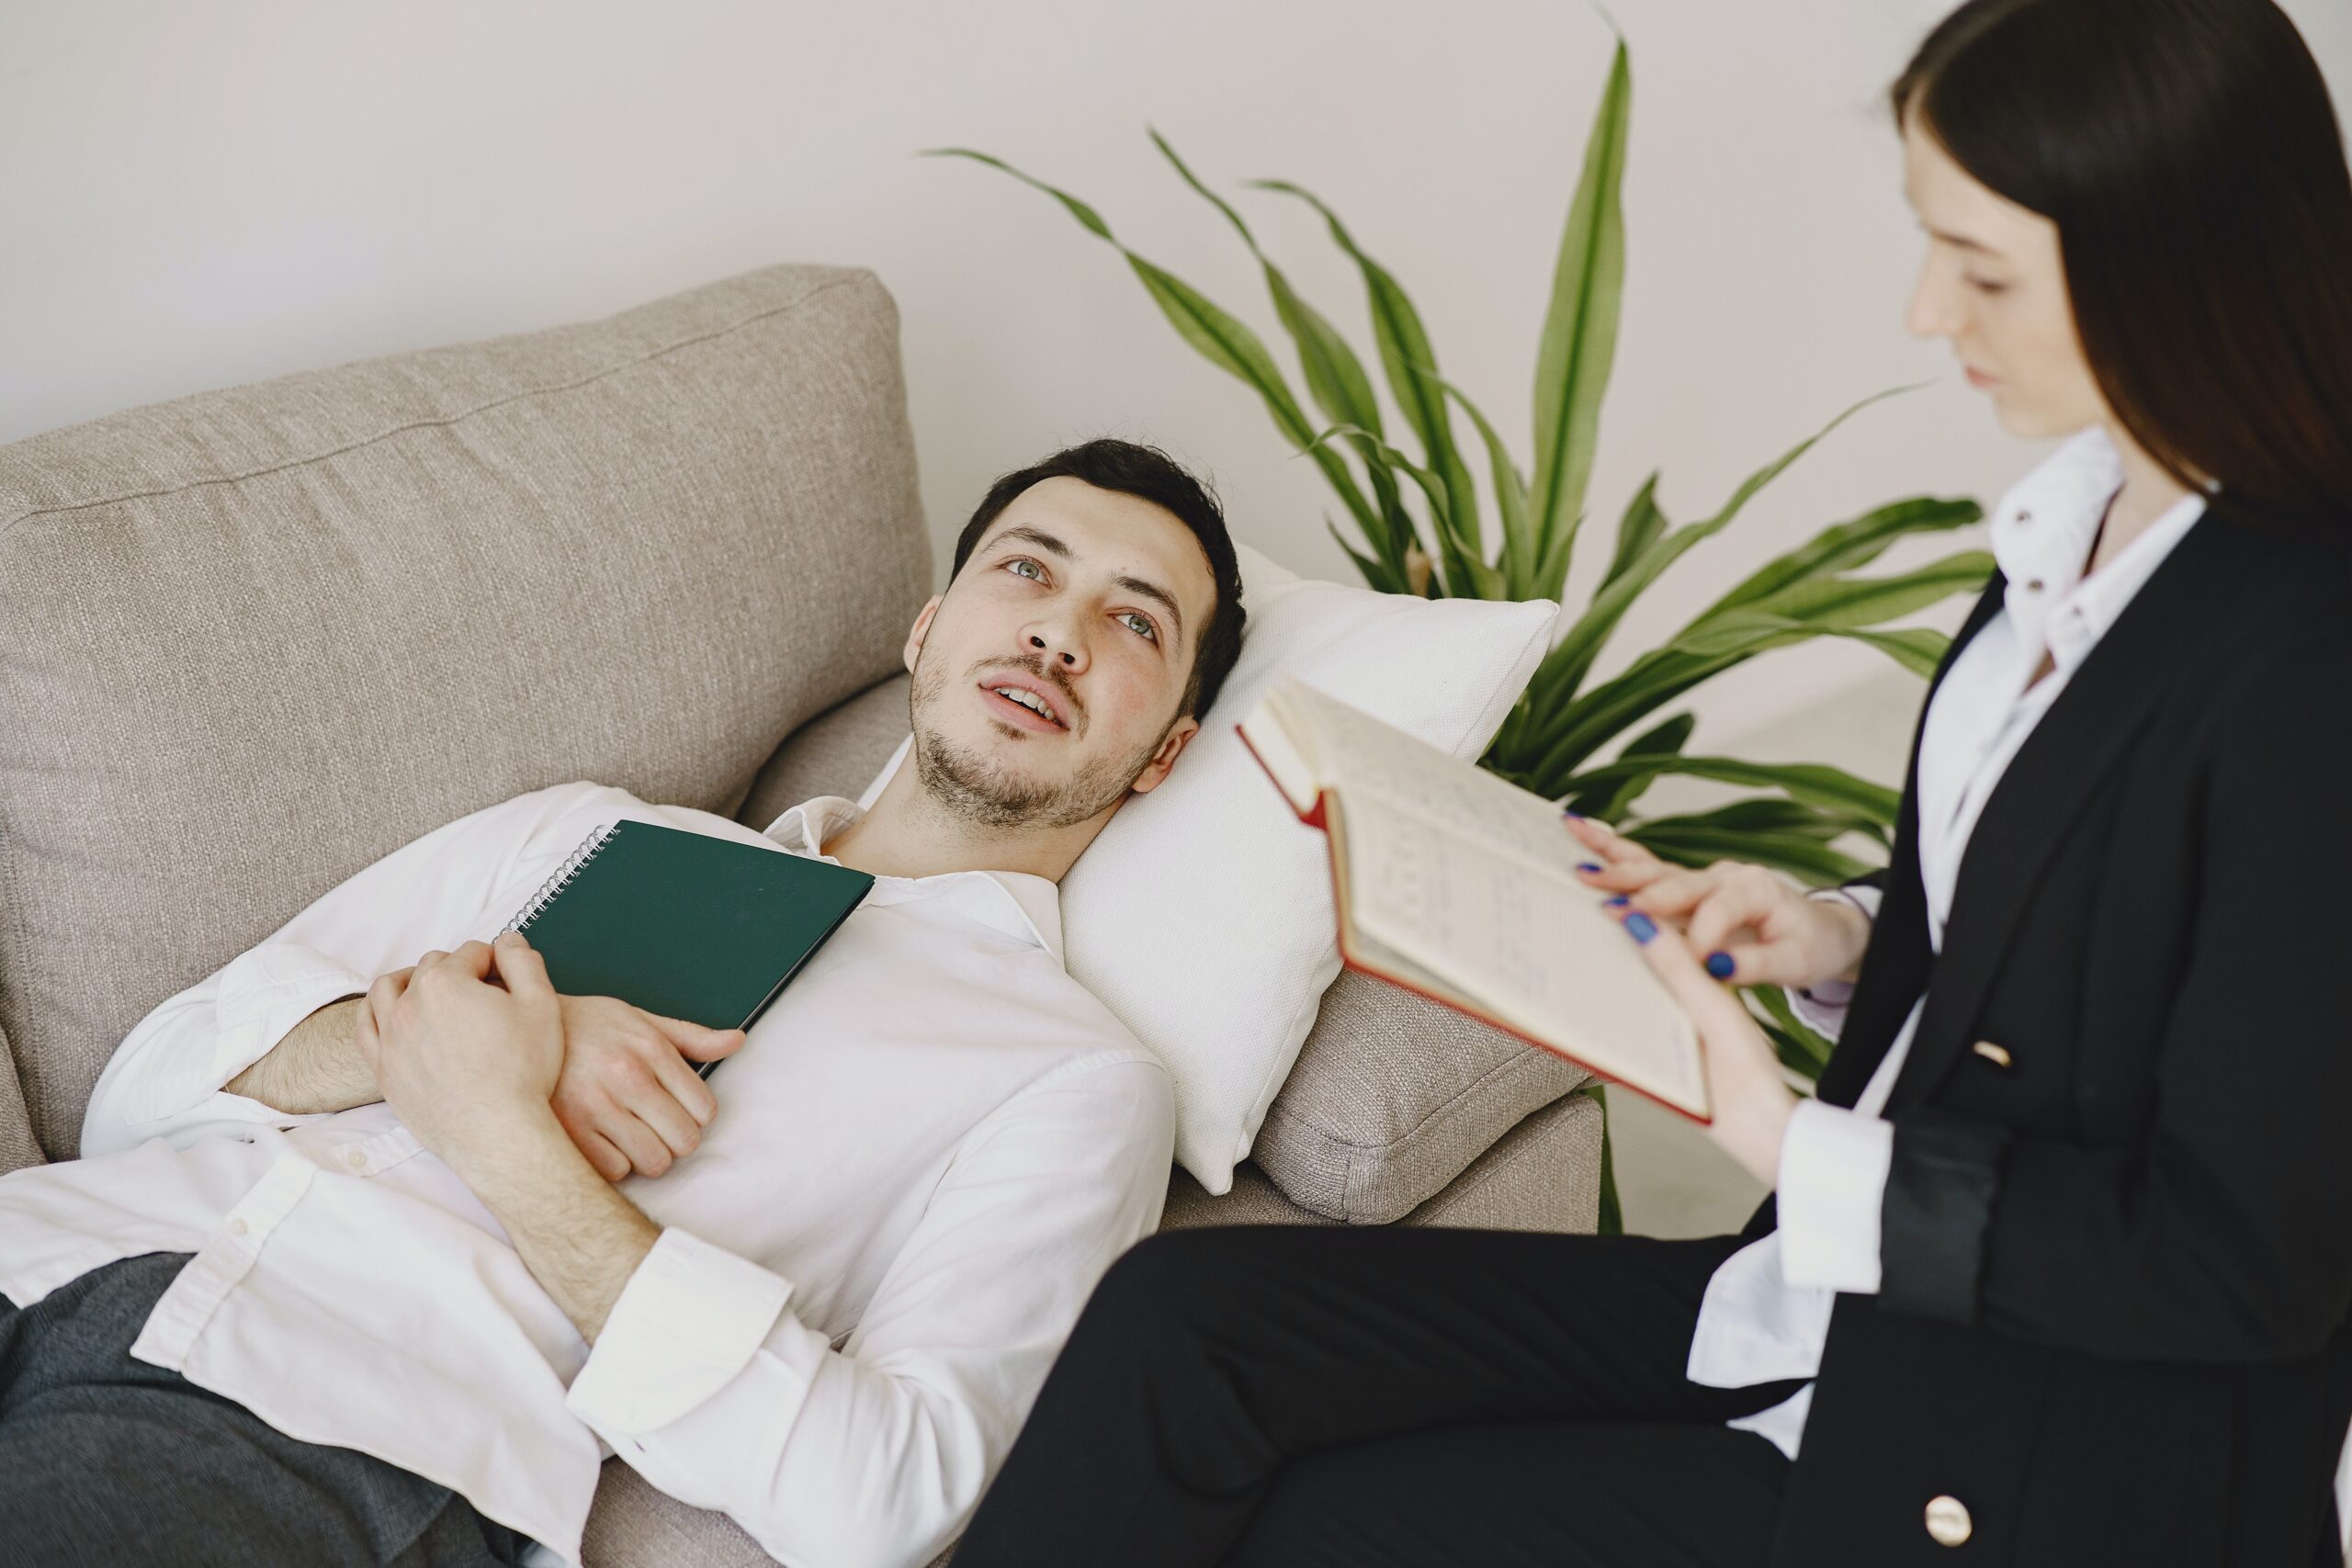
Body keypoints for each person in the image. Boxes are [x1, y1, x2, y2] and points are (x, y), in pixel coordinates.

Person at [946, 2, 2352, 1563]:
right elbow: (2063, 911)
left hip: (2026, 1449)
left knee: (1314, 1526)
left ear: (2171, 261)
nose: (1923, 310)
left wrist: (1782, 1139)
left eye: (1984, 269)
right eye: (1927, 242)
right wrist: (1829, 931)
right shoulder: (2078, 522)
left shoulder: (2305, 668)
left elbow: (2244, 1263)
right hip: (1819, 1314)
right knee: (1180, 1326)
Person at [0, 436, 1247, 1568]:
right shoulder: (586, 828)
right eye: (1028, 570)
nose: (1059, 634)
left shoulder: (1073, 1075)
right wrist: (452, 1032)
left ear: (1165, 755)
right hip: (50, 1240)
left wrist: (507, 1135)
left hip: (289, 1414)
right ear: (926, 630)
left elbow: (886, 1497)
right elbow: (135, 1095)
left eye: (1134, 625)